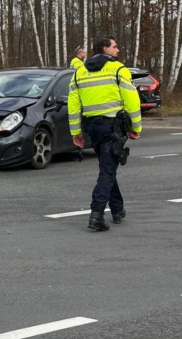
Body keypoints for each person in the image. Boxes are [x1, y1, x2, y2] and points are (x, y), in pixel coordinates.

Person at [68, 36, 142, 232]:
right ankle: (96, 214)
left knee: (107, 165)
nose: (118, 50)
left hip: (93, 127)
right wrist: (136, 126)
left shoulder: (79, 73)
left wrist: (76, 132)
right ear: (105, 49)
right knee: (107, 170)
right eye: (115, 47)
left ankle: (117, 209)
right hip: (113, 127)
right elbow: (131, 99)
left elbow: (74, 105)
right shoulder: (118, 69)